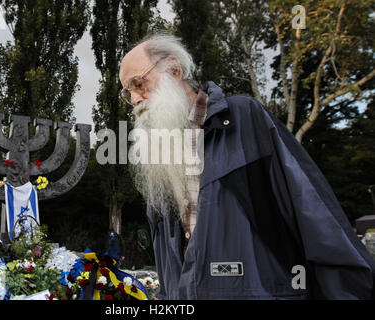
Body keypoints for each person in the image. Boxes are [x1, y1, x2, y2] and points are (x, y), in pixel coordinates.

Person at [118, 34, 375, 300]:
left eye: (139, 84)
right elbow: (171, 255)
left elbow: (315, 214)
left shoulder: (244, 119)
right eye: (128, 93)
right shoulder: (159, 157)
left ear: (174, 69)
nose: (136, 99)